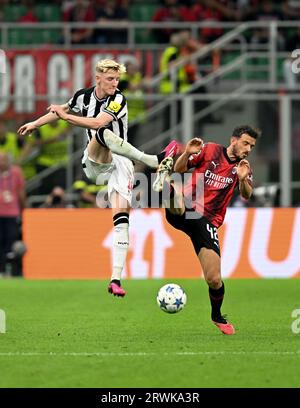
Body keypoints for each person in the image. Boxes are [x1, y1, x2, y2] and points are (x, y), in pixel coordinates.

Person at [18, 59, 171, 297]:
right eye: (110, 79)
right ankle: (151, 160)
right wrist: (35, 124)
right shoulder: (83, 97)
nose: (114, 83)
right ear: (97, 78)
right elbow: (62, 110)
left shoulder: (119, 98)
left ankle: (115, 279)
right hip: (94, 161)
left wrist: (65, 117)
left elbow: (85, 119)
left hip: (121, 162)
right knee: (101, 133)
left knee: (121, 218)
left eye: (117, 79)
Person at [153, 125, 260, 335]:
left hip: (208, 222)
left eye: (252, 146)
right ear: (234, 140)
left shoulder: (243, 166)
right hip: (187, 208)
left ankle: (217, 316)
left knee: (214, 279)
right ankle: (167, 185)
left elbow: (247, 194)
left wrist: (241, 178)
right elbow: (181, 168)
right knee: (178, 198)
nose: (248, 149)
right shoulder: (210, 150)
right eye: (245, 143)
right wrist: (186, 153)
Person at [0, 152, 26, 276]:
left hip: (11, 213)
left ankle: (9, 270)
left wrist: (23, 210)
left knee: (10, 242)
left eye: (4, 160)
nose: (1, 163)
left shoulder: (16, 172)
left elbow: (21, 192)